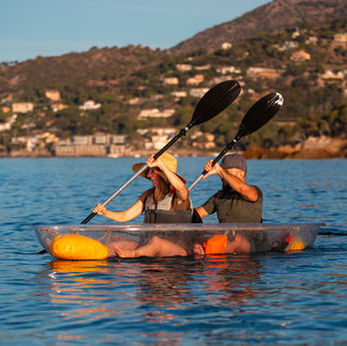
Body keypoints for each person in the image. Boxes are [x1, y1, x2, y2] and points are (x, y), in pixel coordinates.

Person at [93, 152, 193, 257]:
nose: (149, 175)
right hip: (149, 246)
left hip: (178, 250)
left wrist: (161, 165)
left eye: (152, 171)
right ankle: (94, 256)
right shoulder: (149, 195)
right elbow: (125, 216)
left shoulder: (179, 196)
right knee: (116, 240)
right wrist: (105, 212)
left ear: (162, 173)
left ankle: (133, 254)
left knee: (156, 242)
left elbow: (181, 187)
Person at [193, 153, 263, 255]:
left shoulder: (254, 192)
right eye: (221, 176)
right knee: (205, 235)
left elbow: (242, 188)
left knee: (237, 239)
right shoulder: (219, 196)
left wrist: (220, 171)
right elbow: (196, 215)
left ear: (241, 174)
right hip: (225, 241)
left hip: (252, 245)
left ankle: (208, 254)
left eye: (227, 174)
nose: (223, 179)